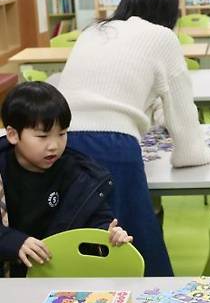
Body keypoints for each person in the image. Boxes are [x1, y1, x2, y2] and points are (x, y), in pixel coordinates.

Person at [57, 0, 210, 277]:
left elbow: (139, 95)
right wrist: (205, 153)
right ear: (169, 15)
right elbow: (184, 126)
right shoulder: (162, 37)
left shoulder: (93, 32)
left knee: (80, 243)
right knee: (136, 248)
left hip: (58, 142)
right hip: (113, 146)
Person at [0, 82, 133, 277]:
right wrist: (13, 242)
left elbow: (97, 220)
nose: (54, 145)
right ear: (12, 135)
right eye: (42, 136)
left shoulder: (78, 175)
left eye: (62, 134)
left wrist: (109, 233)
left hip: (59, 278)